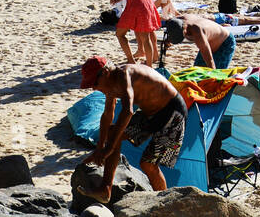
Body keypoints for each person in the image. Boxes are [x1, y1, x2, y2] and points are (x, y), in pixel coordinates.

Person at [78, 57, 187, 198]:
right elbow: (107, 115)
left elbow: (128, 111)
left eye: (95, 83)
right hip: (150, 114)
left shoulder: (124, 75)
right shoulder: (109, 84)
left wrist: (109, 148)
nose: (94, 88)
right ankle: (106, 189)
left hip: (172, 112)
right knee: (112, 132)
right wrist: (100, 148)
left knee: (148, 164)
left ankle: (164, 202)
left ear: (105, 73)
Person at [164, 14, 236, 69]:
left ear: (185, 29)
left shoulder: (197, 32)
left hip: (225, 43)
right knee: (197, 70)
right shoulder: (176, 21)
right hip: (210, 42)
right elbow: (173, 27)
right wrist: (169, 39)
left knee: (216, 74)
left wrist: (213, 73)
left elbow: (209, 59)